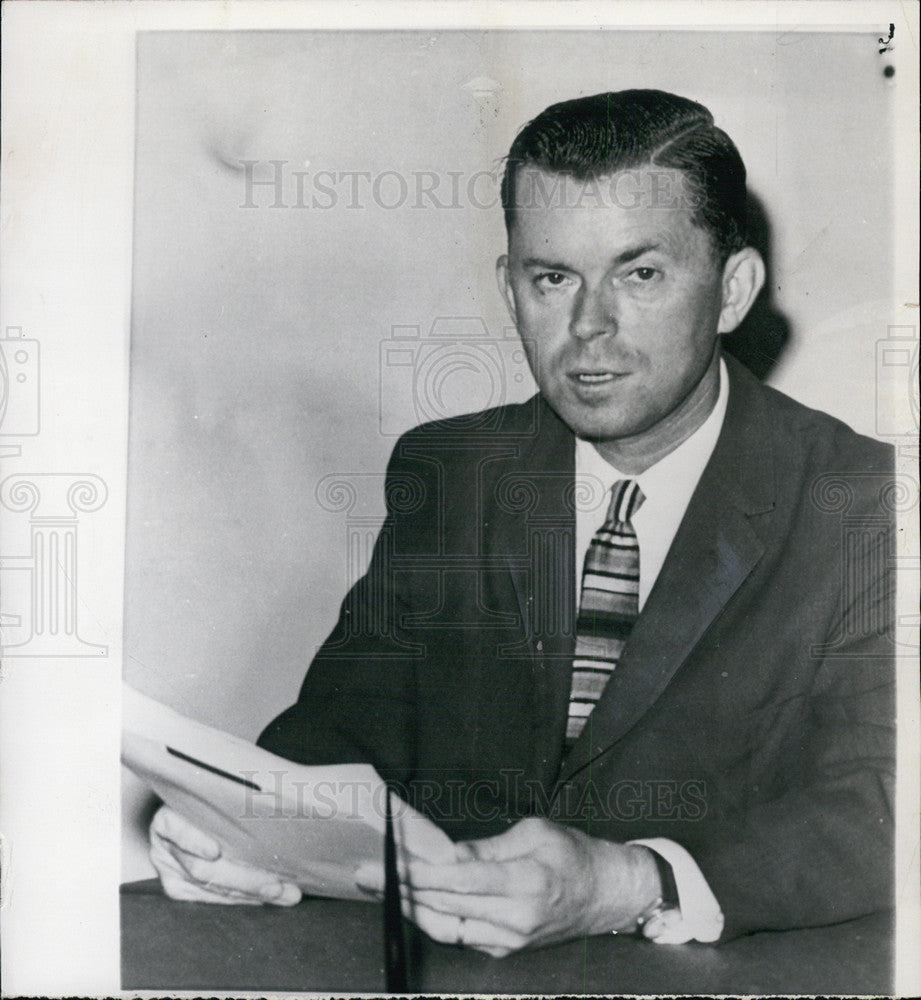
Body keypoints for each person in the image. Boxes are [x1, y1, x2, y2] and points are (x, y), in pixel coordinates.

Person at [149, 89, 894, 956]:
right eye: (552, 278)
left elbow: (885, 800)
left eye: (639, 274)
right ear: (509, 288)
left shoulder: (866, 504)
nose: (587, 327)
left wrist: (627, 881)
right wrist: (243, 828)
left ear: (731, 291)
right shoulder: (455, 472)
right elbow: (344, 724)